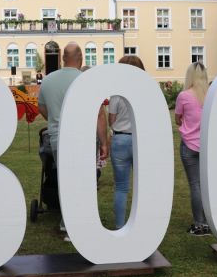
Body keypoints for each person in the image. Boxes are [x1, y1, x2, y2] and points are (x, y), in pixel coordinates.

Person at [38, 42, 108, 241]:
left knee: (65, 179)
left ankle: (66, 223)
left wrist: (54, 122)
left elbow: (42, 108)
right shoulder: (86, 80)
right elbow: (99, 115)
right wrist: (104, 142)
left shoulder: (49, 80)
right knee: (84, 180)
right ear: (81, 58)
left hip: (58, 136)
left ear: (62, 59)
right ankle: (79, 225)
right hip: (84, 136)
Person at [108, 55, 145, 229]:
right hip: (141, 140)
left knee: (121, 187)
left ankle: (120, 225)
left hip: (120, 139)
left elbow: (111, 119)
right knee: (143, 185)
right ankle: (142, 224)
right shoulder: (146, 89)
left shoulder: (117, 93)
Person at [175, 62, 211, 236]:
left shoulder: (184, 95)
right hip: (207, 145)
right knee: (206, 184)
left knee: (195, 184)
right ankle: (210, 221)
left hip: (189, 144)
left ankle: (199, 224)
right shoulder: (211, 95)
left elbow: (177, 118)